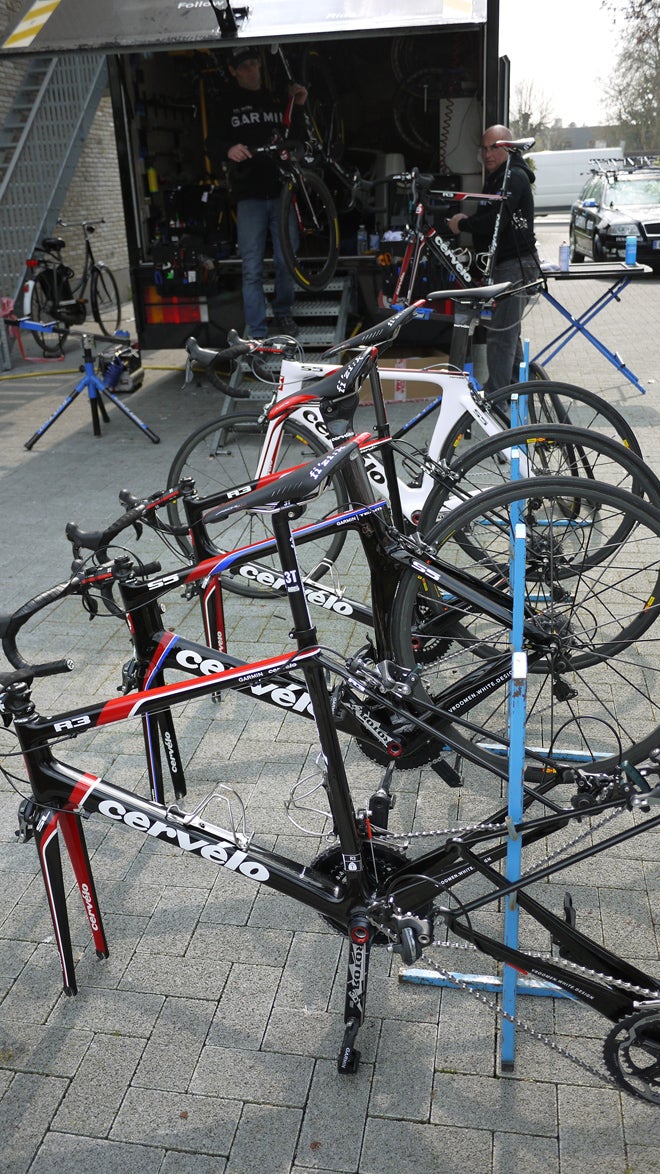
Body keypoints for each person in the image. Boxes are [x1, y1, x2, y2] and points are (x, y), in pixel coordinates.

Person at [211, 46, 308, 339]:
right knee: (251, 268)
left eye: (254, 65)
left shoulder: (275, 99)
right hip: (248, 197)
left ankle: (283, 313)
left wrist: (299, 105)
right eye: (244, 67)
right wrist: (228, 149)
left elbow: (297, 137)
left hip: (280, 192)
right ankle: (256, 330)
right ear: (233, 71)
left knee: (285, 260)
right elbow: (211, 142)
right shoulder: (225, 104)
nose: (252, 71)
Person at [447, 125, 540, 392]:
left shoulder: (514, 177)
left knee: (501, 336)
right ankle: (515, 389)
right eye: (485, 148)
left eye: (494, 147)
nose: (487, 154)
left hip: (517, 266)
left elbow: (494, 221)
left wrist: (463, 224)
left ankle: (496, 398)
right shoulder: (499, 176)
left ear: (508, 147)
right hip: (505, 265)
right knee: (508, 332)